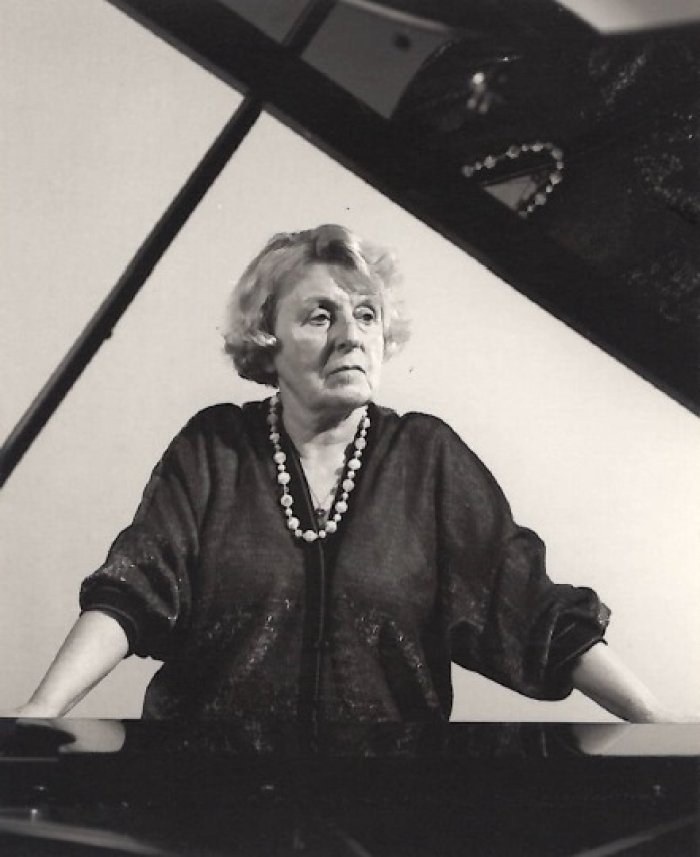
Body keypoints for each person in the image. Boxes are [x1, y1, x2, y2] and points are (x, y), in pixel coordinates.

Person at [8, 225, 674, 724]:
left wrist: (659, 726)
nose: (351, 335)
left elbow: (531, 607)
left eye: (366, 315)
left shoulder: (427, 458)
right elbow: (133, 590)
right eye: (320, 315)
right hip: (209, 801)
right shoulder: (213, 448)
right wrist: (41, 711)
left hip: (383, 809)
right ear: (266, 339)